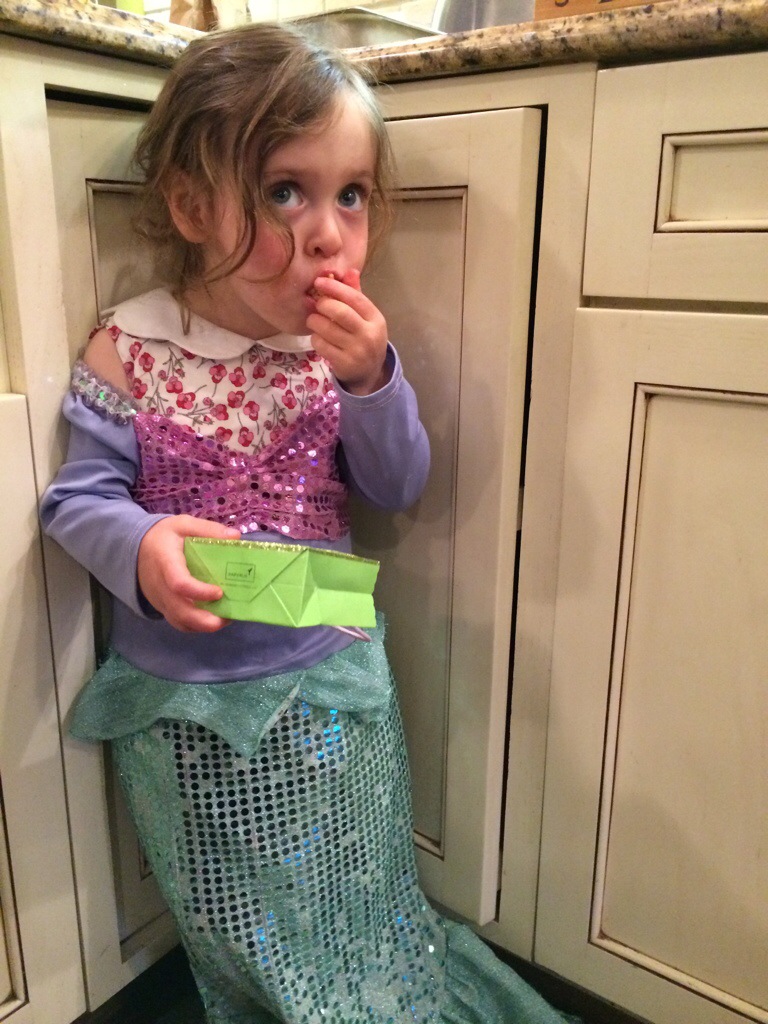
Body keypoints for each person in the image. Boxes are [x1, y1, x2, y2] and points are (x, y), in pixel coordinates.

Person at [41, 22, 578, 1024]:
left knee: (351, 889)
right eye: (287, 190)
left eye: (352, 194)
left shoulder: (334, 354)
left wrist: (373, 381)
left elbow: (396, 483)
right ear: (191, 205)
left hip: (332, 678)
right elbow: (78, 500)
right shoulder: (132, 349)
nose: (330, 233)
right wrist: (143, 547)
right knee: (229, 909)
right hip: (184, 705)